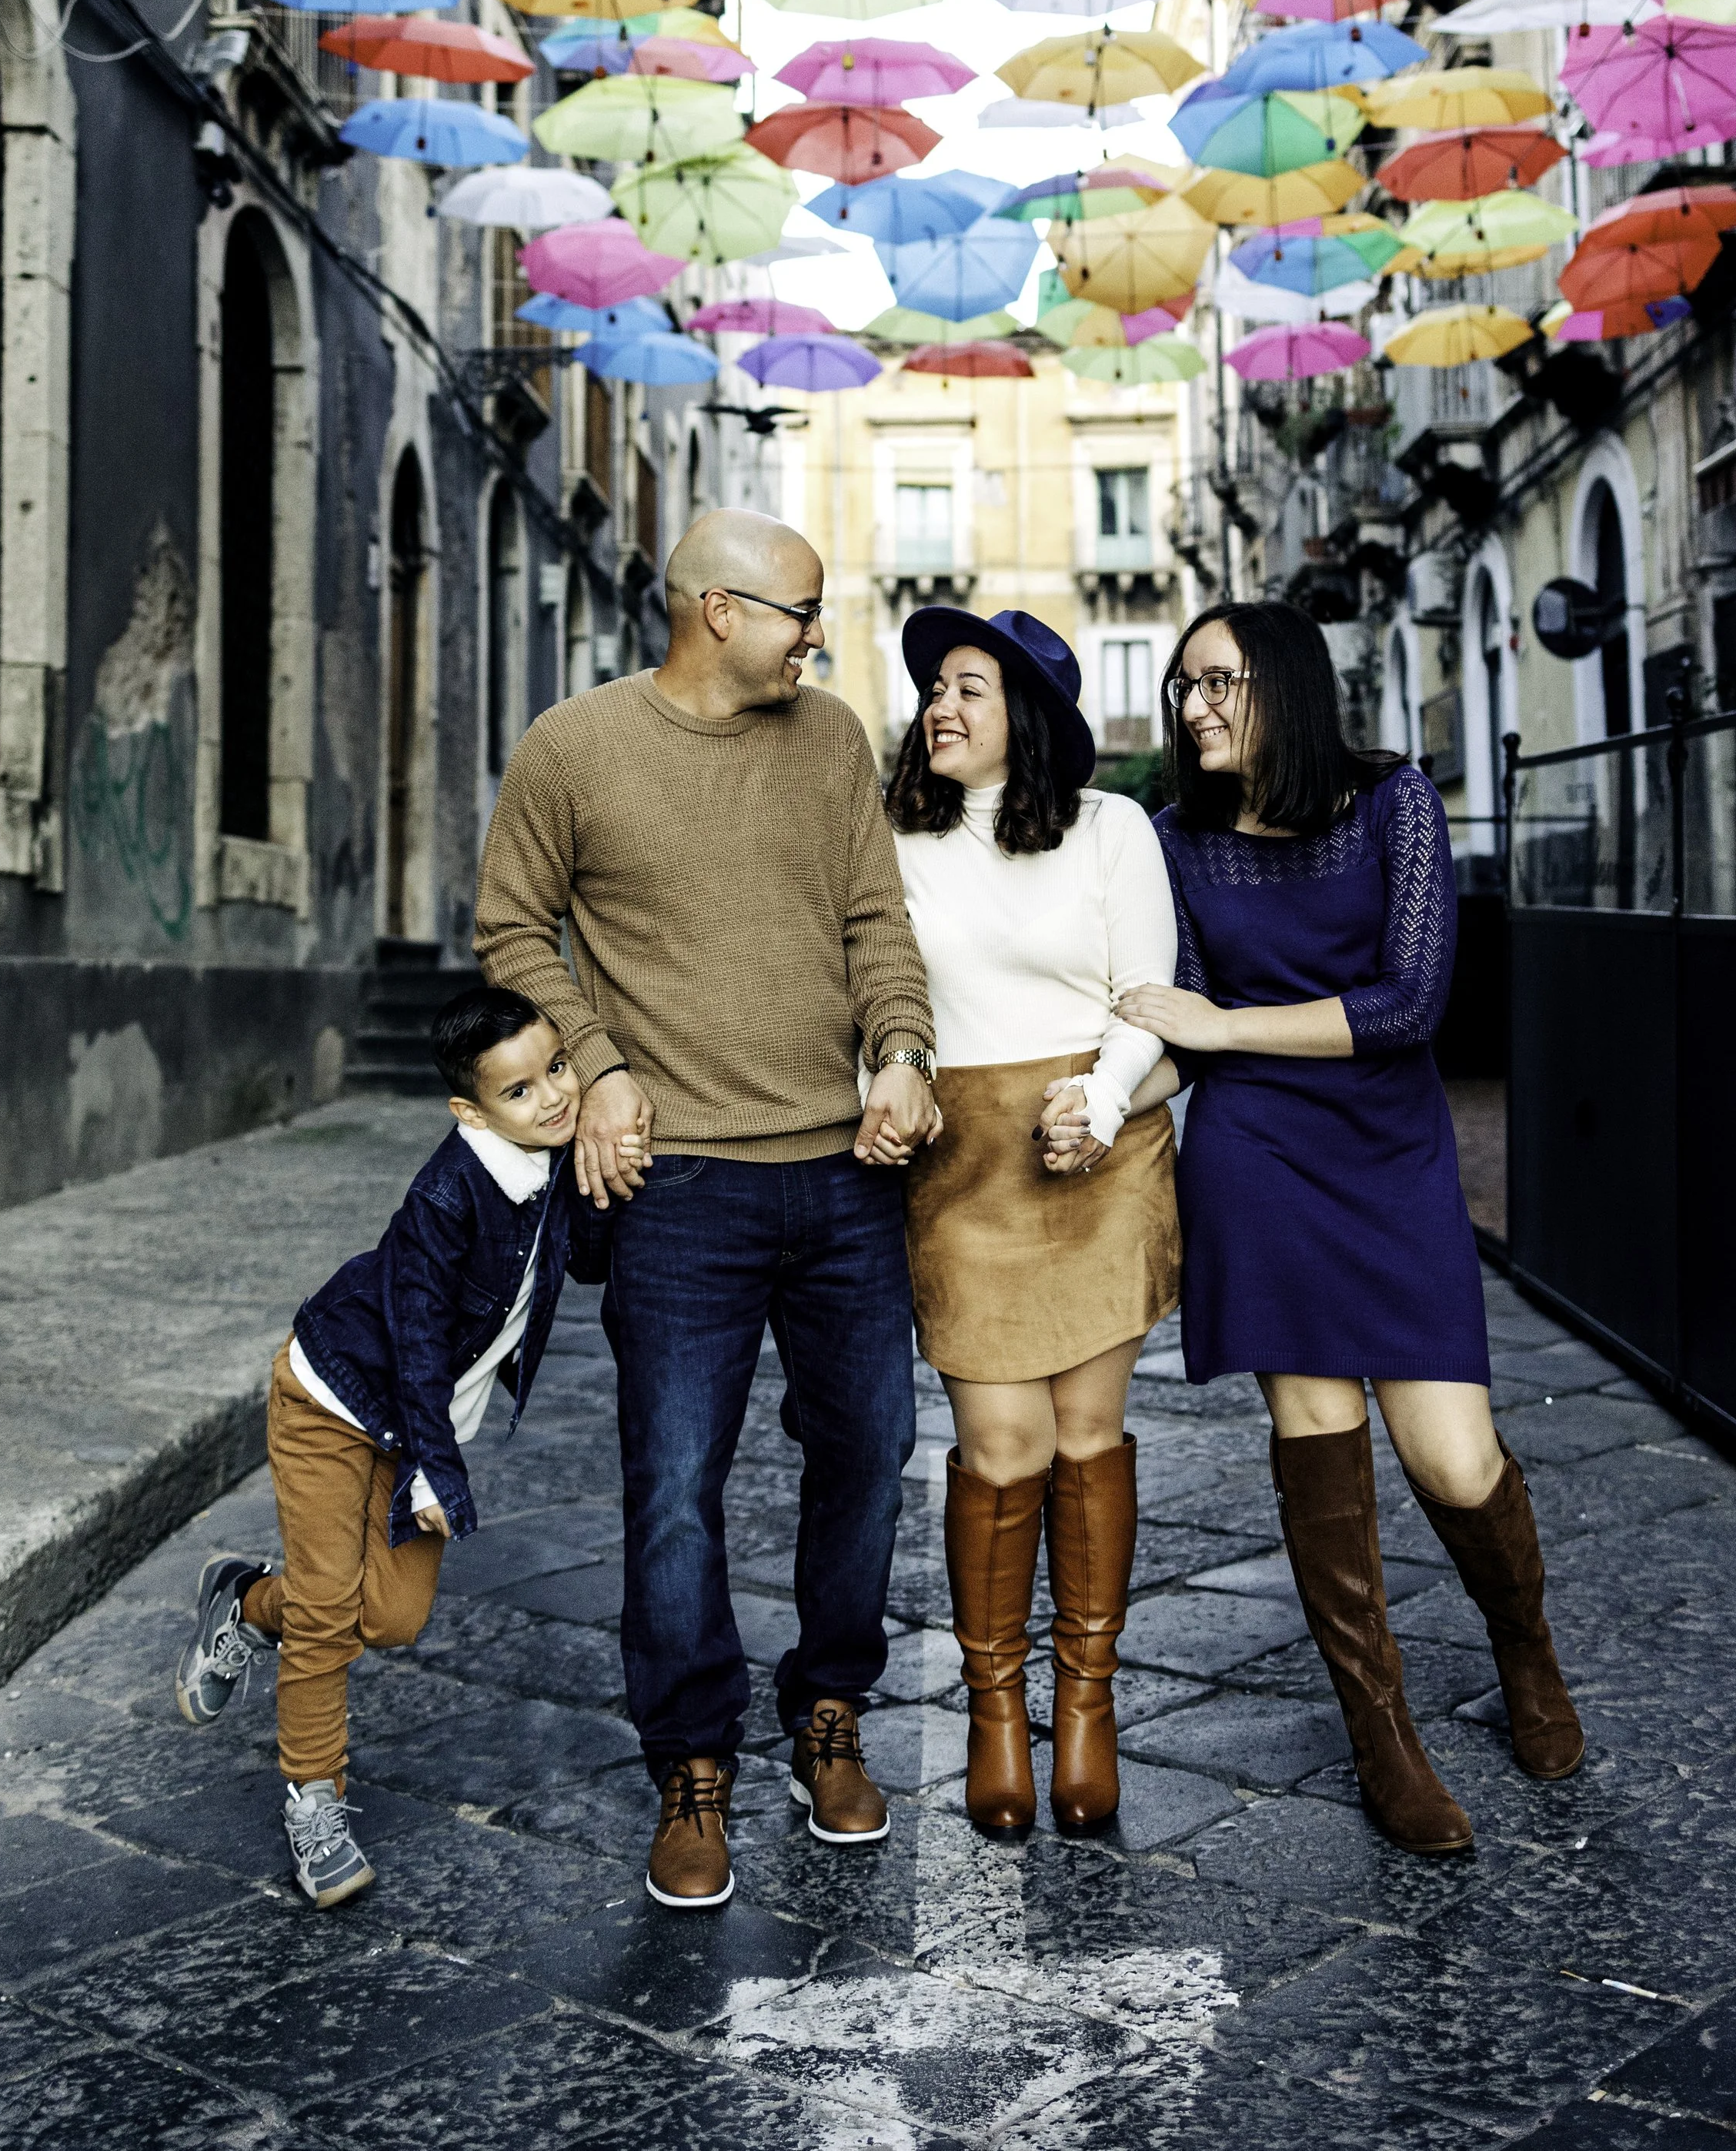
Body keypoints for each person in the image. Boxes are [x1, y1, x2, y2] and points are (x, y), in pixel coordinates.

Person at [472, 509, 942, 1913]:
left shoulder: (833, 740)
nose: (819, 635)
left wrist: (905, 1052)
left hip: (845, 1177)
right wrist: (600, 1071)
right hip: (676, 1188)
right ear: (715, 611)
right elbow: (510, 932)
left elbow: (876, 920)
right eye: (800, 610)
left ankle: (828, 1710)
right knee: (675, 1489)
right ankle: (691, 1762)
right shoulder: (573, 749)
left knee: (871, 1446)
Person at [1112, 600, 1584, 1857]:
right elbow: (1179, 1024)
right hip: (1255, 1156)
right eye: (1184, 689)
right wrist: (1106, 1100)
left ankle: (1525, 1649)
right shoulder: (1174, 840)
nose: (1195, 708)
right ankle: (1383, 1738)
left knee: (1452, 1459)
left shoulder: (1393, 803)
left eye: (1218, 683)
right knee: (1317, 1438)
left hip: (1390, 1153)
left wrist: (1217, 1031)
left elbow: (1407, 1003)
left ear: (1286, 685)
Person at [173, 984, 606, 1909]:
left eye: (557, 1068)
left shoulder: (557, 1157)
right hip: (334, 1401)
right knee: (330, 1618)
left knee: (395, 1618)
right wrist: (433, 1470)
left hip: (408, 1420)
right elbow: (415, 1351)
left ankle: (247, 1603)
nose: (554, 1097)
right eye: (521, 1091)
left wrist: (620, 1159)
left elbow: (589, 1252)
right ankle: (315, 1801)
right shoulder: (445, 1198)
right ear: (470, 1111)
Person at [886, 606, 1179, 1835]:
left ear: (1033, 720)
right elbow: (874, 994)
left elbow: (1152, 990)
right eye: (935, 689)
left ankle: (1090, 1704)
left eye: (969, 688)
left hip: (1098, 1152)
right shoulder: (889, 836)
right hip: (963, 1171)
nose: (940, 707)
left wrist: (1104, 1097)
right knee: (999, 1446)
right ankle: (994, 1711)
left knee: (1083, 1434)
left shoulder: (1112, 828)